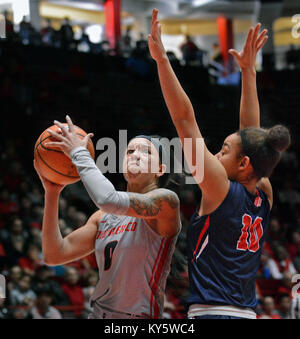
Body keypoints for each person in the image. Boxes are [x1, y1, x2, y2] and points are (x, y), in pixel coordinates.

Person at [148, 9, 291, 319]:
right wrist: (248, 73)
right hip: (247, 314)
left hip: (211, 313)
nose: (214, 155)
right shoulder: (263, 190)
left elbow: (184, 119)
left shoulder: (218, 189)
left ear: (242, 164)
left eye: (223, 150)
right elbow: (251, 137)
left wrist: (162, 62)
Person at [34, 116, 181, 319]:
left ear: (160, 169)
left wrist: (79, 152)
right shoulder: (102, 218)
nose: (135, 155)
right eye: (130, 151)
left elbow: (107, 198)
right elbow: (54, 255)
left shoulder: (165, 203)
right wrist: (52, 194)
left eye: (146, 152)